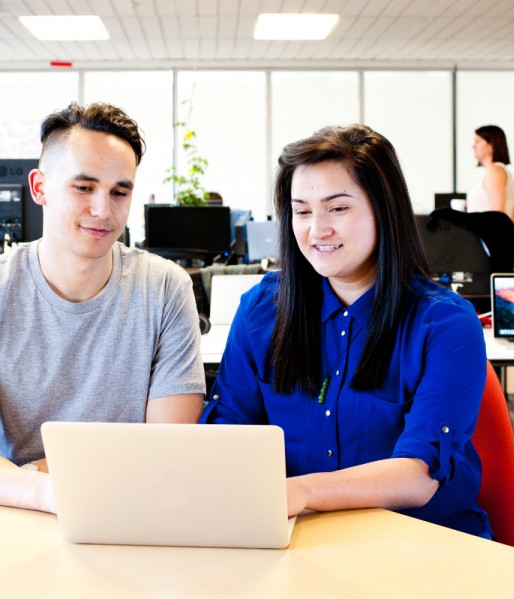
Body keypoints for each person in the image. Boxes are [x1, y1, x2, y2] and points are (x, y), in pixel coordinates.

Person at [200, 124, 492, 538]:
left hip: (421, 543)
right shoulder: (262, 310)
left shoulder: (444, 323)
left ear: (383, 210)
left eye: (337, 208)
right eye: (301, 211)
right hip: (297, 539)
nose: (317, 230)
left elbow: (418, 475)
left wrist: (300, 492)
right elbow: (229, 427)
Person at [0, 102, 206, 513]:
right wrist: (50, 491)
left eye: (119, 192)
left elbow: (167, 447)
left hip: (132, 508)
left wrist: (38, 472)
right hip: (14, 509)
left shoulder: (165, 288)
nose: (103, 210)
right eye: (83, 187)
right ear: (39, 187)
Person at [468, 125, 514, 223]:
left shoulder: (495, 173)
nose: (473, 146)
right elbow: (513, 217)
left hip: (489, 237)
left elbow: (497, 217)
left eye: (478, 141)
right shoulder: (501, 171)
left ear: (491, 145)